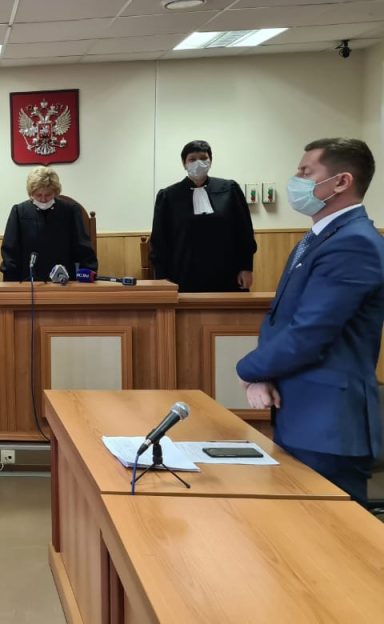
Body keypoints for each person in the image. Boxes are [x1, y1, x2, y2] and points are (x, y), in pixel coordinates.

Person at [236, 138, 384, 505]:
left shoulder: (354, 243)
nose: (296, 180)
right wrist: (265, 374)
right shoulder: (322, 236)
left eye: (306, 172)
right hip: (303, 414)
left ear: (341, 182)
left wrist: (247, 369)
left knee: (333, 535)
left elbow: (309, 334)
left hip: (329, 425)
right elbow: (281, 319)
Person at [149, 140, 256, 292]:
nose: (198, 163)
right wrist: (162, 276)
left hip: (227, 272)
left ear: (210, 161)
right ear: (184, 163)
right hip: (183, 274)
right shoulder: (168, 196)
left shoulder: (229, 189)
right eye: (192, 159)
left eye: (203, 158)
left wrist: (246, 267)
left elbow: (244, 232)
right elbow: (159, 240)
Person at [0, 165, 97, 282]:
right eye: (38, 195)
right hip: (28, 281)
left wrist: (88, 275)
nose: (43, 199)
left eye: (48, 195)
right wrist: (10, 283)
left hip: (65, 281)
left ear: (55, 192)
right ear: (31, 193)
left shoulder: (70, 210)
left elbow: (83, 247)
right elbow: (10, 251)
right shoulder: (19, 211)